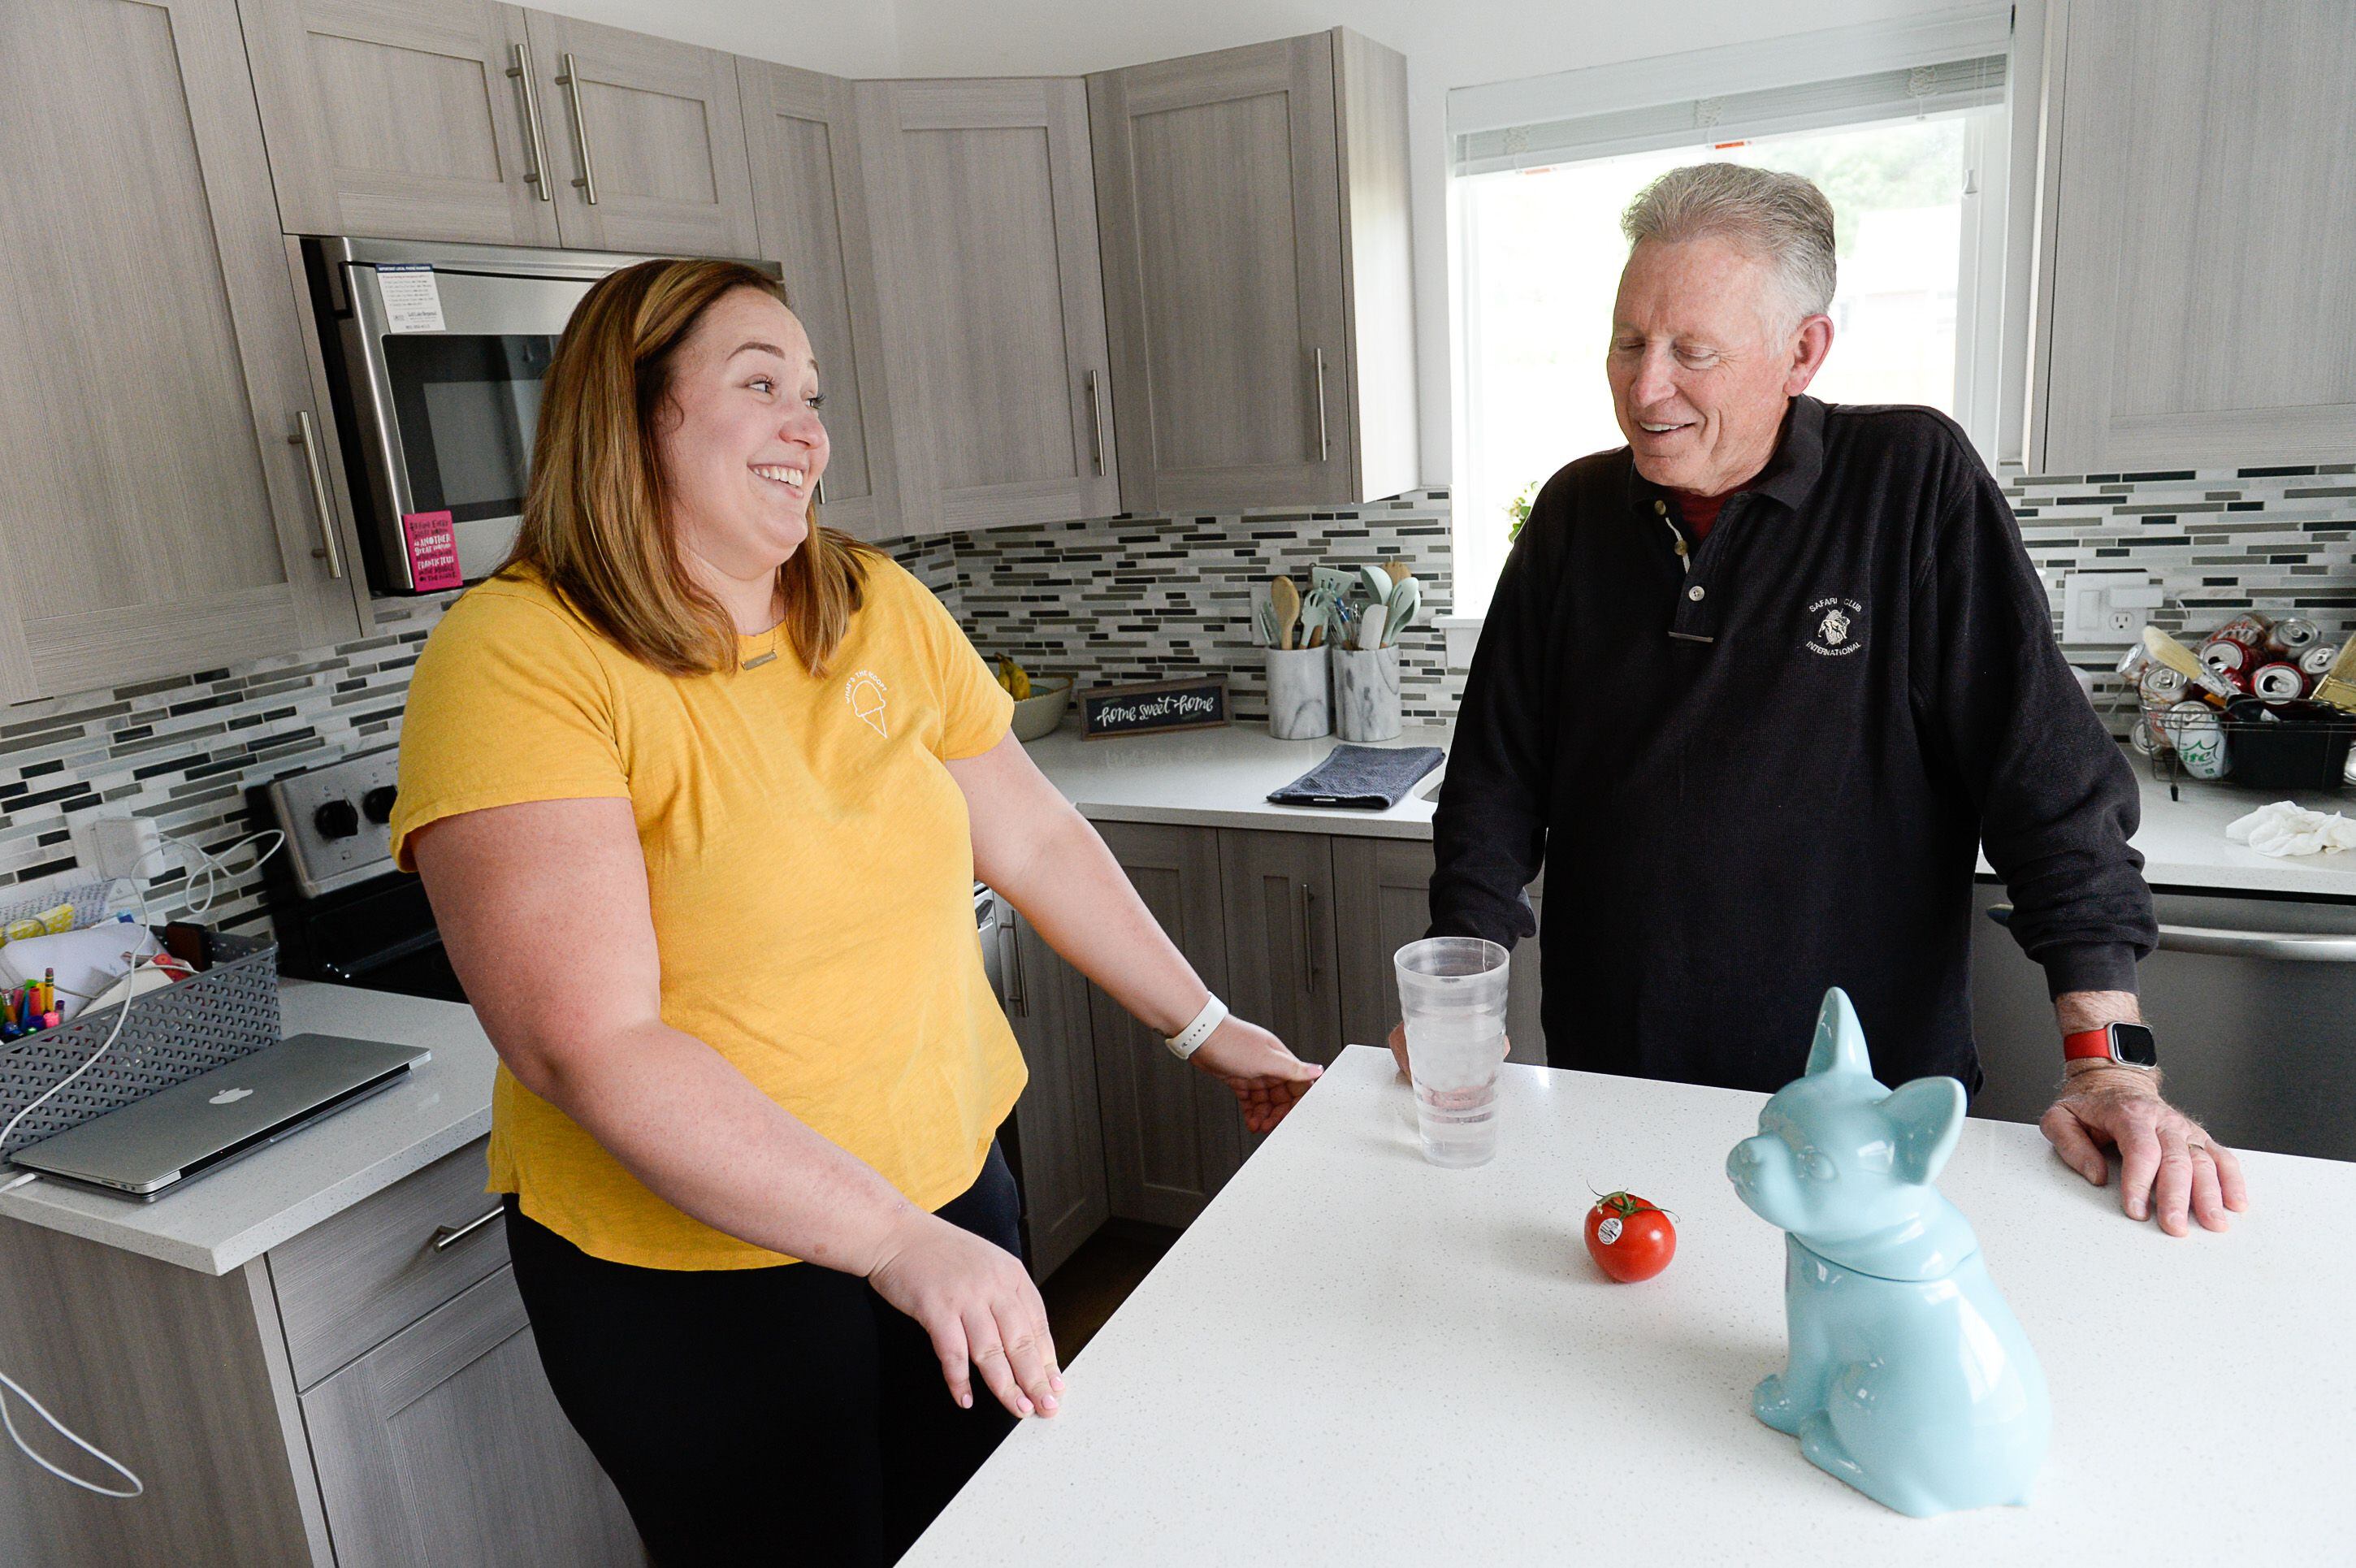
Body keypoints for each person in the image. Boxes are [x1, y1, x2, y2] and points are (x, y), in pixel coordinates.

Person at [390, 258, 1321, 1566]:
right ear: (631, 413)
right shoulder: (518, 656)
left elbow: (1041, 837)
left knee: (989, 1532)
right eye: (759, 383)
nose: (808, 428)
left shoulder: (868, 600)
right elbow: (587, 1043)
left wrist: (1214, 1029)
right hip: (703, 1285)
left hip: (953, 1197)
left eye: (813, 393)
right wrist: (887, 1238)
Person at [1407, 164, 2248, 1240]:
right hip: (1621, 1095)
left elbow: (2047, 790)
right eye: (1628, 342)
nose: (1643, 388)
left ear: (1803, 351)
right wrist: (1460, 990)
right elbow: (1493, 785)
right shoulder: (1574, 515)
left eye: (1690, 351)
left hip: (1865, 1121)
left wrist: (2114, 1068)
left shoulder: (1913, 483)